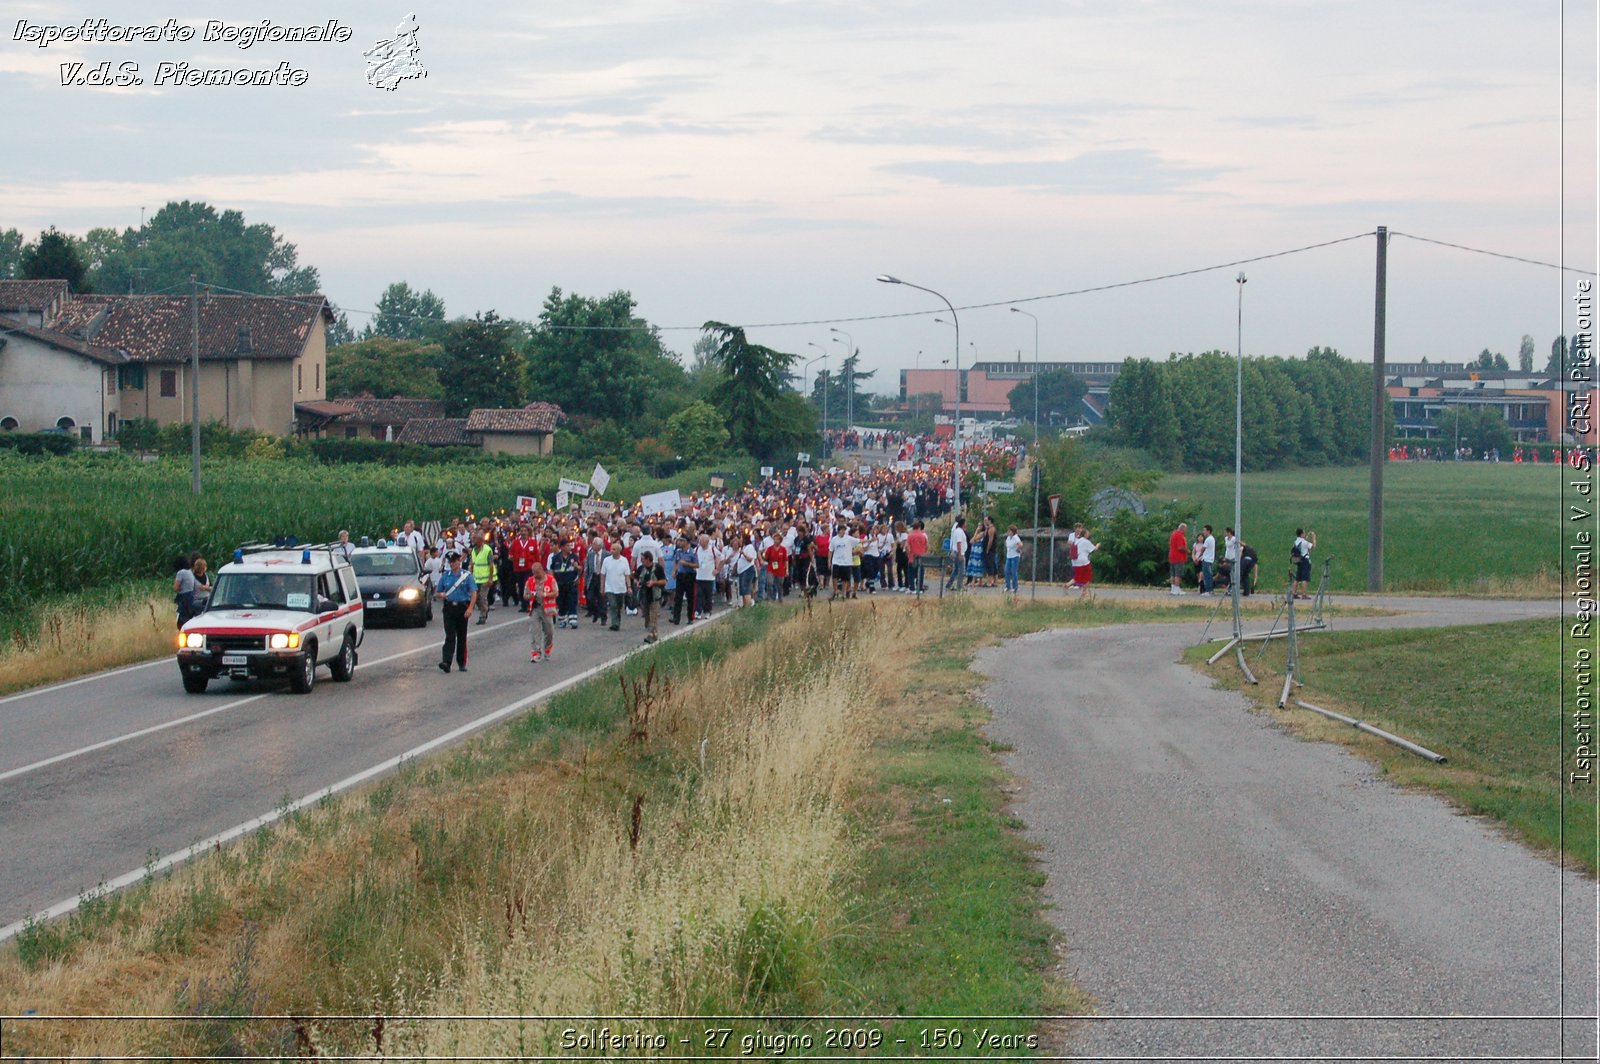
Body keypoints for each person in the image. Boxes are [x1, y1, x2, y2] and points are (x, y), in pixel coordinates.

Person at [435, 551, 476, 673]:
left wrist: (470, 608)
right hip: (449, 609)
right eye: (451, 562)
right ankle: (446, 662)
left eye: (455, 561)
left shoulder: (466, 576)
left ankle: (461, 662)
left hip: (462, 608)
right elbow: (437, 593)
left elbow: (474, 592)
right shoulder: (446, 576)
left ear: (459, 561)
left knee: (462, 636)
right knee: (450, 635)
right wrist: (440, 595)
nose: (453, 564)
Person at [525, 560, 557, 662]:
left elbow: (556, 593)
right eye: (533, 573)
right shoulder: (530, 581)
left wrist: (545, 595)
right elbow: (525, 595)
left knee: (549, 631)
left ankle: (547, 649)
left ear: (542, 570)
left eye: (537, 573)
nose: (535, 575)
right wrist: (529, 596)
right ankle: (536, 653)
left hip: (547, 609)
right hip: (535, 608)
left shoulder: (550, 579)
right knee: (535, 631)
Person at [635, 549, 667, 643]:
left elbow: (664, 581)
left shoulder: (657, 568)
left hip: (655, 595)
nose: (642, 561)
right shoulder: (641, 568)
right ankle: (652, 632)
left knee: (653, 616)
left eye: (643, 559)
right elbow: (636, 578)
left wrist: (654, 582)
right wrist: (637, 582)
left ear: (648, 559)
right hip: (644, 596)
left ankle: (652, 635)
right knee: (647, 616)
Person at [601, 542, 632, 630]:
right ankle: (614, 623)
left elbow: (627, 575)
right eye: (611, 549)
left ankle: (618, 621)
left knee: (619, 606)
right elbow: (603, 575)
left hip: (620, 588)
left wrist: (629, 586)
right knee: (613, 605)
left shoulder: (624, 560)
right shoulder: (606, 560)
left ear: (619, 551)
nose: (612, 551)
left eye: (614, 549)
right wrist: (602, 587)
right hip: (609, 587)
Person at [470, 533, 497, 625]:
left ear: (480, 540)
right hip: (476, 578)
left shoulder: (487, 550)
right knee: (475, 598)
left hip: (485, 579)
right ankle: (484, 608)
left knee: (482, 597)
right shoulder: (473, 550)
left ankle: (483, 615)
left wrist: (490, 578)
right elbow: (473, 563)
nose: (473, 540)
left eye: (475, 538)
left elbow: (491, 565)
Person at [1070, 523, 1096, 598]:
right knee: (1088, 576)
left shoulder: (1077, 540)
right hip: (1083, 561)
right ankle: (1084, 592)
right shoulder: (1085, 541)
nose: (1088, 535)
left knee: (1078, 576)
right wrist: (1098, 545)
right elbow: (1094, 549)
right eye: (1087, 534)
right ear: (1084, 535)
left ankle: (1068, 584)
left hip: (1075, 561)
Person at [1292, 528, 1317, 600]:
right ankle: (1304, 594)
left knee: (1297, 577)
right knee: (1305, 577)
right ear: (1302, 534)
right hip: (1305, 560)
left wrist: (1306, 538)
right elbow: (1313, 546)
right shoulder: (1305, 542)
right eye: (1304, 533)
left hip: (1298, 560)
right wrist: (1314, 537)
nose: (1305, 534)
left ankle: (1294, 593)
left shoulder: (1296, 542)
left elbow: (1302, 544)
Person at [174, 555, 197, 628]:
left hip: (184, 597)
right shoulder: (190, 572)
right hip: (191, 596)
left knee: (182, 619)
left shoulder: (181, 572)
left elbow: (176, 588)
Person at [906, 520, 929, 593]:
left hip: (912, 557)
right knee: (920, 573)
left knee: (911, 574)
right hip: (921, 557)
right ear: (919, 527)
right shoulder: (923, 536)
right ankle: (919, 587)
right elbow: (926, 546)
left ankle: (912, 588)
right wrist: (924, 552)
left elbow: (907, 546)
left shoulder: (910, 535)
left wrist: (908, 554)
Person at [946, 517, 968, 591]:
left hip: (956, 552)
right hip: (959, 553)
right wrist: (960, 554)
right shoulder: (959, 532)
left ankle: (949, 583)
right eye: (965, 523)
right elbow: (959, 543)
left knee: (956, 570)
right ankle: (959, 586)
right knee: (961, 570)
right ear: (963, 524)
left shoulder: (957, 531)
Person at [1168, 522, 1189, 596]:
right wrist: (1187, 550)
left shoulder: (1173, 534)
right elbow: (1180, 547)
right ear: (1182, 528)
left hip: (1172, 556)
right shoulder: (1179, 535)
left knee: (1173, 574)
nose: (1186, 531)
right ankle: (1176, 589)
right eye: (1185, 529)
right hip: (1178, 557)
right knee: (1178, 574)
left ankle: (1173, 588)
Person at [1196, 524, 1216, 596]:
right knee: (1209, 575)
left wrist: (1198, 557)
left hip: (1207, 559)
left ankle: (1208, 590)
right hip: (1210, 559)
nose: (1203, 532)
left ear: (1208, 531)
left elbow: (1202, 549)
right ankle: (1210, 590)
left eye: (1204, 530)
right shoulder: (1212, 538)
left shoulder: (1208, 539)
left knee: (1207, 575)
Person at [1003, 525, 1023, 594]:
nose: (1008, 532)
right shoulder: (1008, 538)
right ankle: (1008, 586)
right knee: (1006, 571)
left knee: (1013, 572)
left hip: (1015, 557)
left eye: (1009, 531)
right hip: (1009, 556)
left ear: (1013, 531)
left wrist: (1018, 549)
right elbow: (1006, 544)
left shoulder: (1015, 537)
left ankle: (1015, 587)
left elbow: (1020, 544)